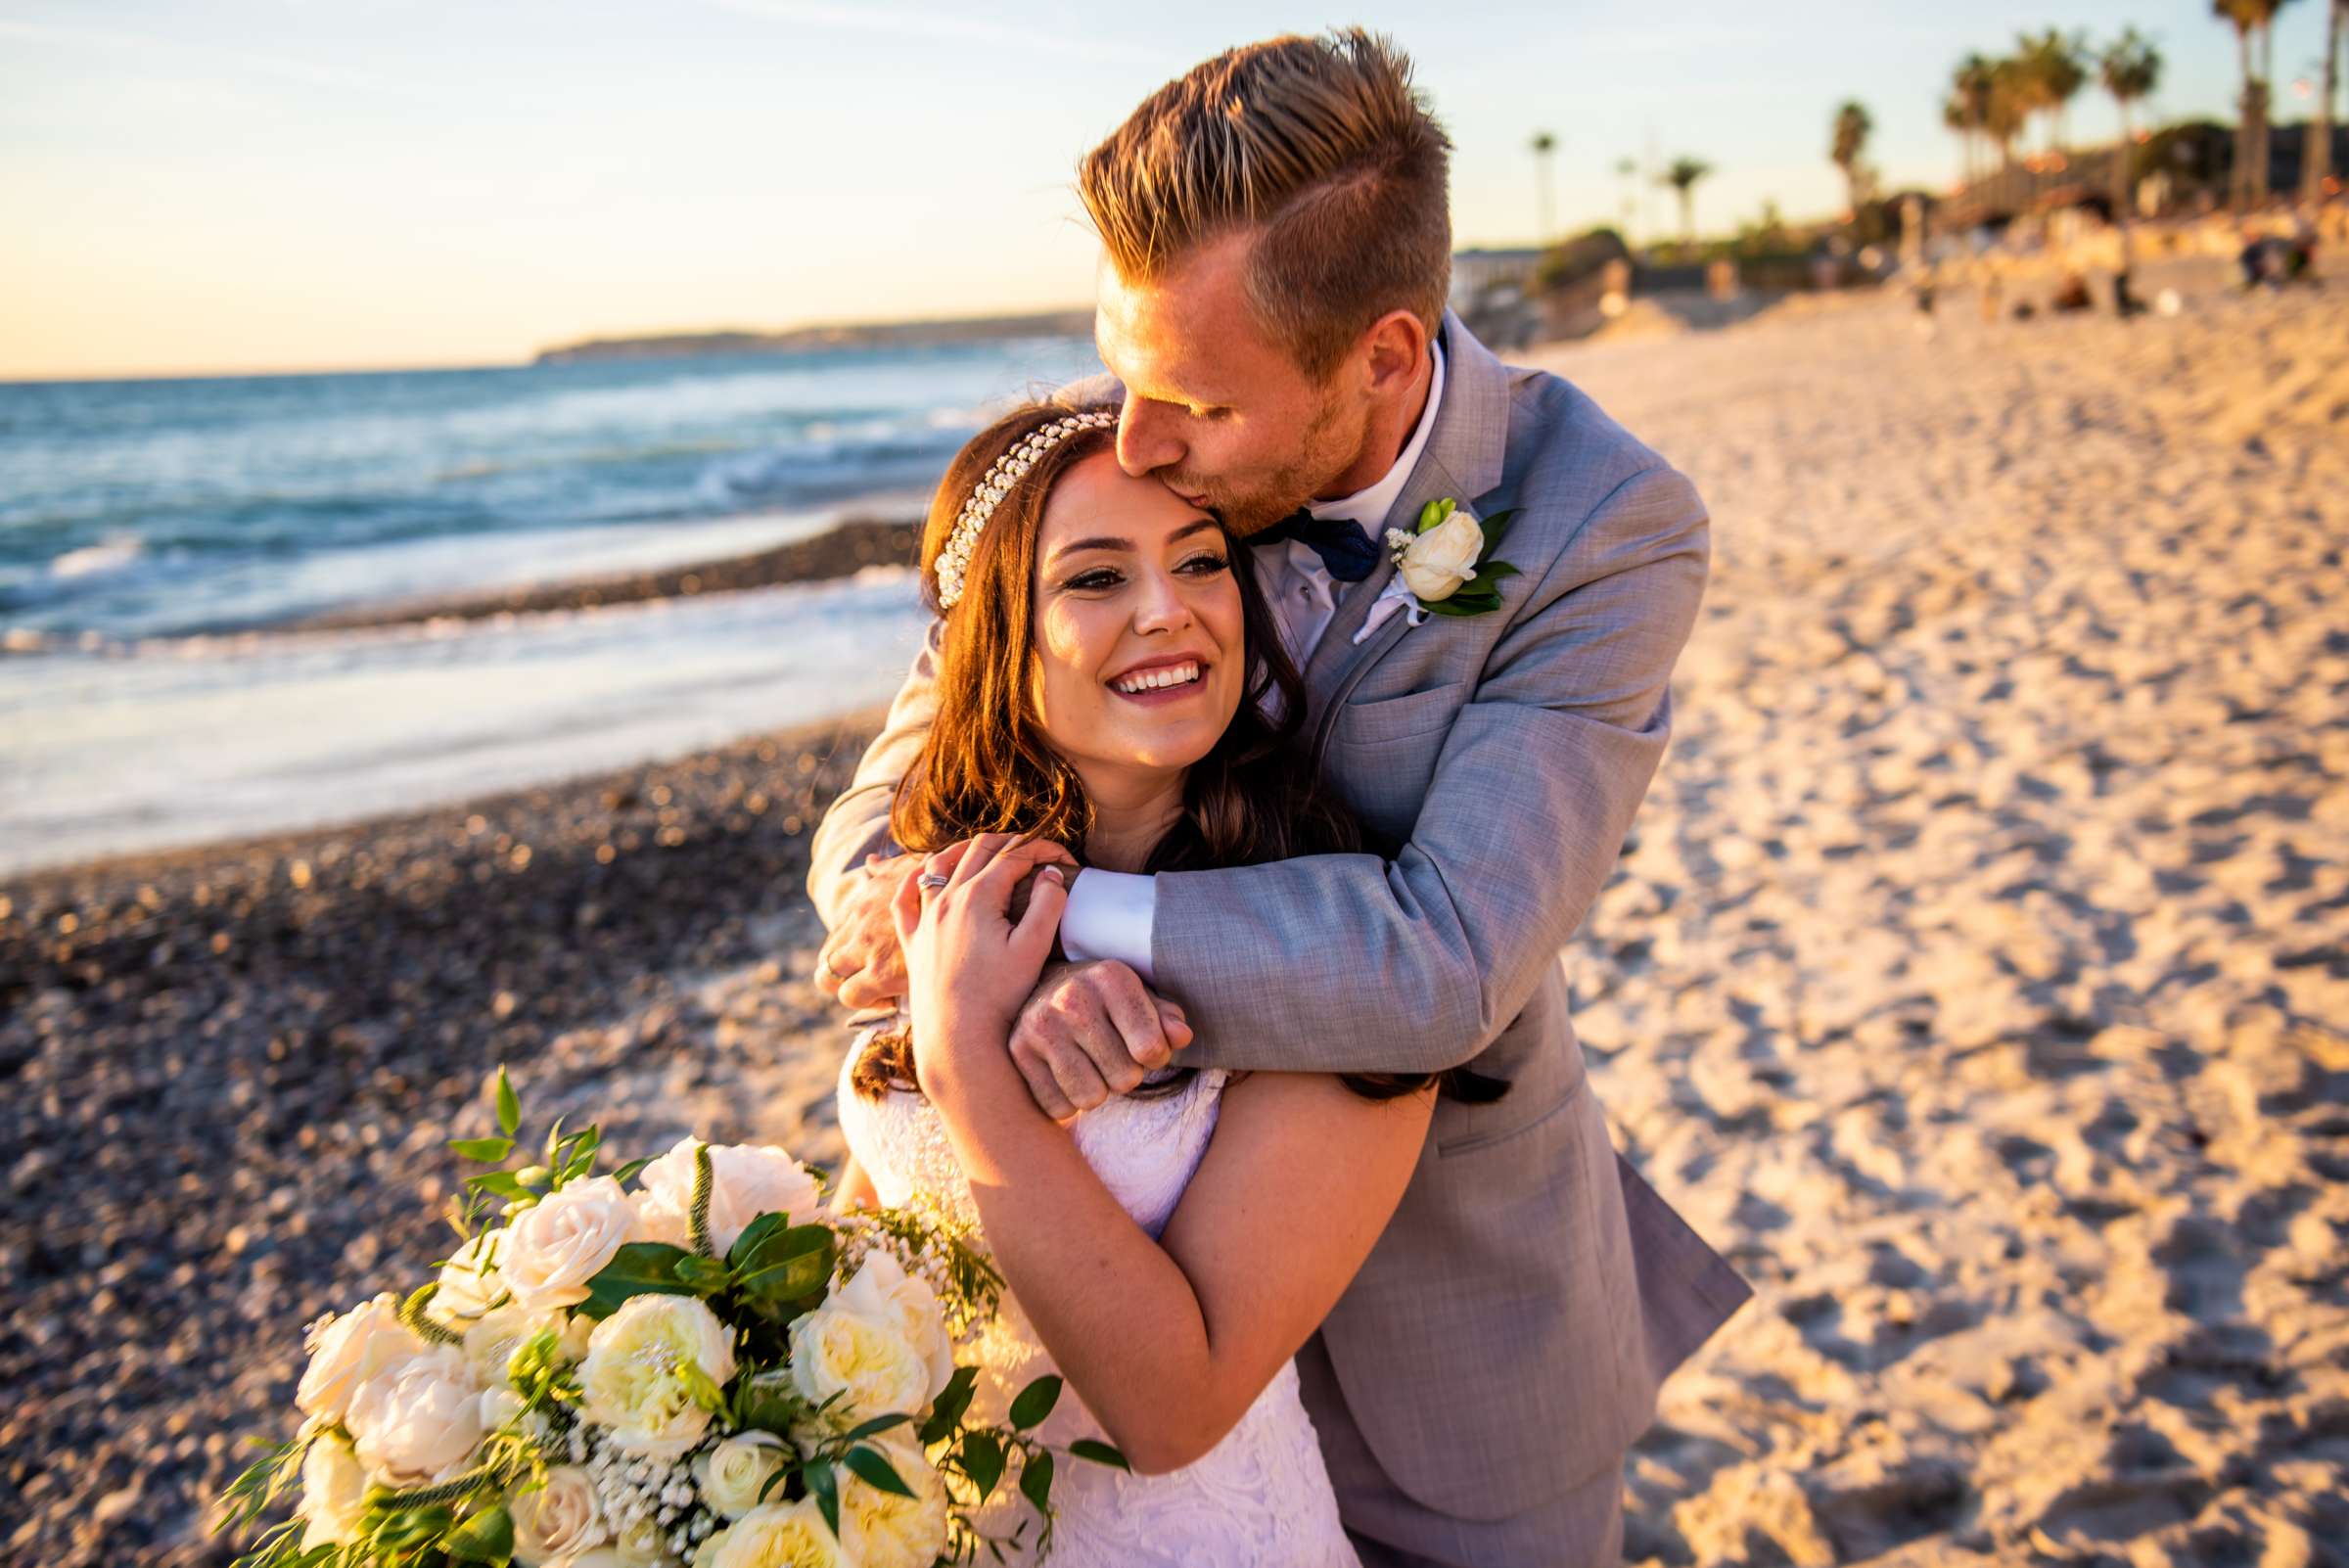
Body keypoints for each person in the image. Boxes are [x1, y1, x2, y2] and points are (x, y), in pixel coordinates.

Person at [814, 31, 1751, 1567]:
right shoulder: (1162, 406)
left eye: (1187, 410)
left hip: (1449, 1341)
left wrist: (1047, 928)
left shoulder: (1607, 524)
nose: (1133, 443)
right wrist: (938, 928)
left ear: (1381, 358)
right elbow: (909, 771)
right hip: (1086, 1305)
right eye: (1123, 374)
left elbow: (1446, 955)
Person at [834, 400, 1469, 1565]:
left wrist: (969, 1064)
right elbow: (887, 1217)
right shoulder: (942, 902)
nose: (1168, 609)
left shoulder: (1335, 939)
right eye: (1095, 579)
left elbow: (1174, 1409)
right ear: (994, 640)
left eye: (1199, 562)